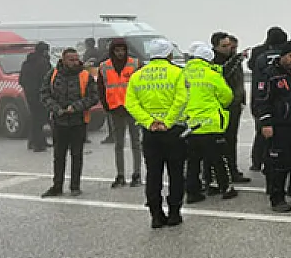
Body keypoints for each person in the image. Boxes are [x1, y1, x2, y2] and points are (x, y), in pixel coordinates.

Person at [124, 39, 189, 228]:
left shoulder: (138, 76)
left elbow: (131, 103)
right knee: (176, 173)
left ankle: (156, 214)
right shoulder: (177, 73)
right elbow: (181, 99)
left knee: (153, 174)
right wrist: (167, 122)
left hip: (150, 132)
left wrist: (149, 122)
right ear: (169, 54)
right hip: (173, 130)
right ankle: (174, 212)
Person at [254, 40, 291, 212]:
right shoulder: (270, 75)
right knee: (279, 163)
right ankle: (277, 197)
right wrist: (265, 123)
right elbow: (261, 100)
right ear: (283, 57)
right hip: (280, 125)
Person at [39, 49, 98, 198]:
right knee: (59, 156)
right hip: (59, 121)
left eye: (76, 59)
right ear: (63, 60)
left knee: (77, 155)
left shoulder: (85, 75)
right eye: (71, 59)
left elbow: (93, 97)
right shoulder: (52, 74)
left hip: (78, 121)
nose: (75, 62)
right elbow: (44, 94)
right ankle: (57, 186)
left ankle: (75, 186)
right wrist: (56, 108)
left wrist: (76, 107)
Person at [183, 43, 237, 203]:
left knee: (193, 162)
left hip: (191, 123)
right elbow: (227, 96)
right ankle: (226, 187)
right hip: (211, 123)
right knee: (219, 158)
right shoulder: (212, 74)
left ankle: (193, 192)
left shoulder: (183, 73)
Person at [97, 38, 142, 188]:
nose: (120, 53)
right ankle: (120, 175)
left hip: (132, 109)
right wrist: (106, 107)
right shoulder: (104, 66)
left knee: (136, 143)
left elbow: (141, 87)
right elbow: (101, 89)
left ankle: (137, 174)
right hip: (115, 109)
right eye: (117, 50)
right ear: (112, 51)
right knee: (119, 144)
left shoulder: (135, 64)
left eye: (122, 50)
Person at [212, 33, 251, 184]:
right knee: (222, 140)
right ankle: (223, 172)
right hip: (222, 106)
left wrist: (242, 100)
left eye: (231, 46)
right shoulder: (216, 61)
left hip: (235, 104)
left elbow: (239, 81)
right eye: (225, 46)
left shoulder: (233, 59)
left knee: (231, 139)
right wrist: (237, 58)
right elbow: (224, 73)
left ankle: (232, 170)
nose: (229, 49)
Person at [248, 27, 288, 172]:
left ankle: (257, 162)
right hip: (282, 97)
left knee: (261, 130)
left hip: (259, 95)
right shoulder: (285, 55)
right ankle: (276, 159)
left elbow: (251, 66)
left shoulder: (259, 53)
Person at [19, 42, 52, 152]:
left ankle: (34, 141)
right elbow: (48, 79)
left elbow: (21, 80)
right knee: (40, 119)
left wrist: (28, 89)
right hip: (41, 95)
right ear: (44, 51)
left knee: (34, 118)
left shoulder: (26, 63)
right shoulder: (43, 63)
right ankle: (38, 144)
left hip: (30, 95)